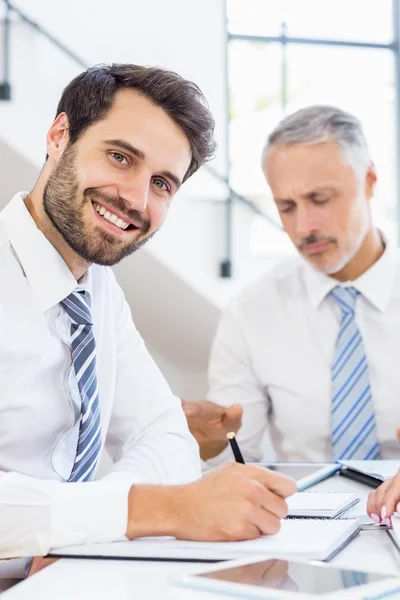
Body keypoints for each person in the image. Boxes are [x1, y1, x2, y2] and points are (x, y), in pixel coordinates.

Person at [0, 63, 297, 569]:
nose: (136, 198)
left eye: (162, 184)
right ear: (58, 136)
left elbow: (165, 435)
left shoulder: (98, 292)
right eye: (120, 157)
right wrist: (156, 509)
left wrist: (85, 534)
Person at [184, 105, 400, 466]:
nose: (304, 228)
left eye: (320, 199)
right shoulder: (252, 311)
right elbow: (237, 458)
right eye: (286, 206)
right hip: (305, 514)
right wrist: (207, 446)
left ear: (369, 181)